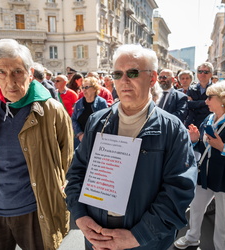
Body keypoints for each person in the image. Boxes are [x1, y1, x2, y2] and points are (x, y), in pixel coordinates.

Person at [65, 44, 197, 250]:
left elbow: (178, 191)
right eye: (118, 74)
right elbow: (77, 172)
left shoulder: (172, 129)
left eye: (133, 73)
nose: (124, 81)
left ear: (152, 78)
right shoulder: (97, 121)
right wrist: (80, 216)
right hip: (96, 236)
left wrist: (139, 236)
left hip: (144, 242)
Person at [0, 38, 74, 250]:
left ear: (30, 73)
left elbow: (67, 156)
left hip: (36, 210)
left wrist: (60, 190)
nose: (10, 81)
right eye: (2, 72)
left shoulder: (52, 111)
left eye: (17, 72)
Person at [174, 81, 225, 250]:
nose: (206, 101)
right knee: (195, 208)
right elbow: (204, 149)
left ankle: (221, 248)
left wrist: (222, 147)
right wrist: (195, 140)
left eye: (210, 97)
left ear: (224, 99)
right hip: (206, 175)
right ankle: (192, 237)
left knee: (224, 223)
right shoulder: (208, 119)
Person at [71, 76, 108, 148]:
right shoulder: (79, 103)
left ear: (94, 89)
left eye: (87, 87)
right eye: (83, 87)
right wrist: (80, 134)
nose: (84, 90)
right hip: (79, 140)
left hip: (95, 139)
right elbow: (73, 120)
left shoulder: (101, 103)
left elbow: (105, 121)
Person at [185, 62, 213, 128]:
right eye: (200, 71)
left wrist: (195, 104)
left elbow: (213, 106)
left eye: (206, 72)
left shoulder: (215, 89)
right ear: (197, 74)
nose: (202, 74)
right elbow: (188, 104)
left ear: (211, 74)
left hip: (208, 123)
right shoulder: (191, 88)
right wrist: (204, 102)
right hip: (192, 123)